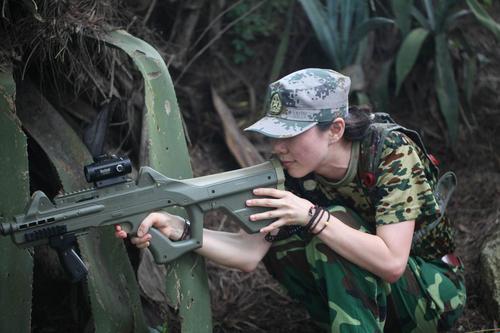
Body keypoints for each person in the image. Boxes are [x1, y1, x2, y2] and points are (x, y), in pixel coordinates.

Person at [116, 68, 466, 332]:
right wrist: (180, 228)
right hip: (380, 301)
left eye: (290, 135)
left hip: (433, 298)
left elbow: (392, 263)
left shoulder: (389, 153)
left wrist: (315, 217)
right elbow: (248, 253)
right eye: (273, 135)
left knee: (329, 226)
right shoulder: (295, 171)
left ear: (336, 130)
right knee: (285, 239)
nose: (277, 147)